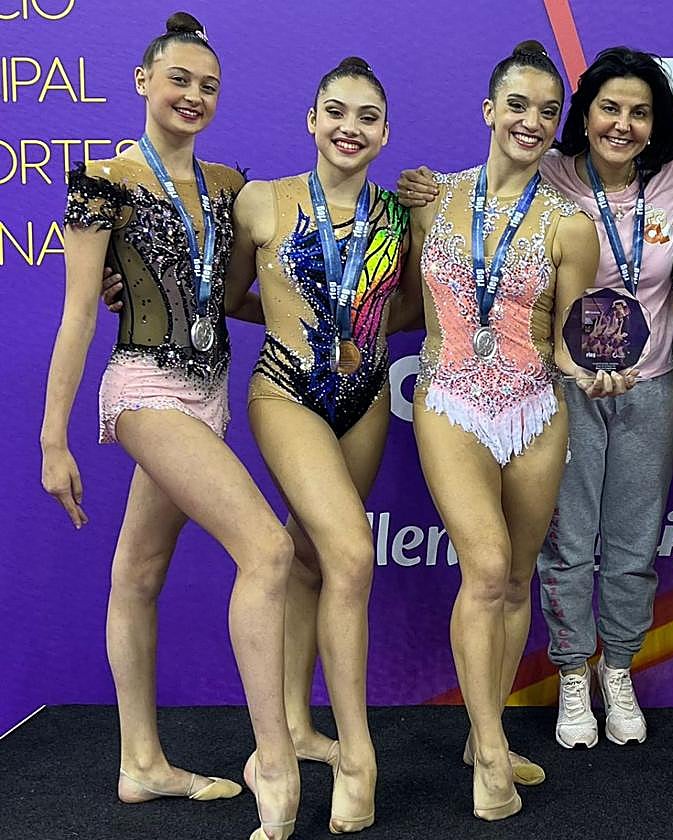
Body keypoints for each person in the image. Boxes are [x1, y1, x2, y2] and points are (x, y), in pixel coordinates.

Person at [396, 46, 673, 751]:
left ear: (659, 123)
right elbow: (483, 185)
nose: (623, 125)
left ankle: (619, 671)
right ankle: (574, 674)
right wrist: (426, 186)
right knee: (567, 546)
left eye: (639, 112)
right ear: (584, 115)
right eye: (609, 109)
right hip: (563, 385)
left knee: (632, 543)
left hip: (653, 385)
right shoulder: (550, 171)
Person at [40, 12, 298, 840]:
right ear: (144, 82)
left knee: (138, 574)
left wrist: (308, 324)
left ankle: (141, 763)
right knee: (268, 549)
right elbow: (81, 312)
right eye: (179, 79)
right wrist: (54, 439)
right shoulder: (101, 181)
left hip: (213, 392)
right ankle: (276, 761)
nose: (193, 95)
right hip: (145, 387)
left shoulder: (228, 185)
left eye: (209, 86)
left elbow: (231, 298)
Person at [400, 40, 600, 820]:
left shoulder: (571, 224)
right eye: (518, 104)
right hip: (448, 397)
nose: (532, 121)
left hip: (536, 409)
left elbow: (572, 337)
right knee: (484, 569)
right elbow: (400, 296)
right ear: (488, 110)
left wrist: (589, 370)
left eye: (549, 111)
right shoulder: (428, 198)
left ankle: (488, 726)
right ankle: (488, 749)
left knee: (517, 578)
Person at [226, 56, 410, 835]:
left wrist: (356, 337)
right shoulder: (262, 203)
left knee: (311, 555)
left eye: (367, 117)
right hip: (286, 393)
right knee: (350, 554)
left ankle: (302, 730)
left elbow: (407, 311)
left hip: (365, 398)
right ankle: (360, 755)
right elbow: (229, 293)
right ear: (311, 120)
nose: (350, 128)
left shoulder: (402, 216)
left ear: (385, 133)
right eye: (336, 112)